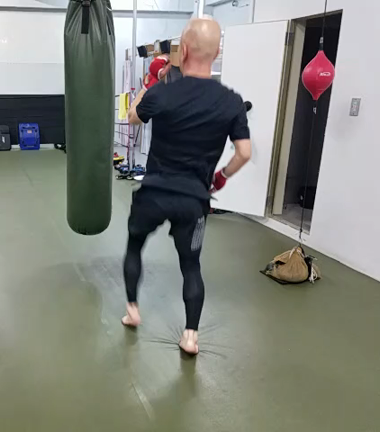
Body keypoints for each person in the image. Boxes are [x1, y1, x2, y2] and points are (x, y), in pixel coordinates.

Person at [123, 18, 252, 355]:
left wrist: (151, 82)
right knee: (191, 266)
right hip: (193, 200)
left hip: (153, 194)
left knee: (134, 246)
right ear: (217, 52)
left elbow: (133, 116)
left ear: (185, 50)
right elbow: (244, 153)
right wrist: (220, 178)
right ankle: (191, 336)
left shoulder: (163, 92)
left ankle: (133, 311)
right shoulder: (231, 101)